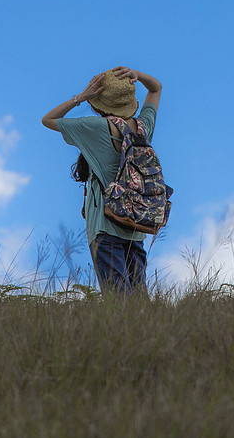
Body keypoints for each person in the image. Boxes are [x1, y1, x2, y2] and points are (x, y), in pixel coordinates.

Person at [41, 66, 163, 295]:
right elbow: (156, 89)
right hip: (136, 224)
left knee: (117, 299)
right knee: (138, 299)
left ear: (98, 102)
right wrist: (136, 74)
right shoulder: (143, 128)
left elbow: (48, 120)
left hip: (105, 224)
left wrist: (81, 97)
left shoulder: (94, 127)